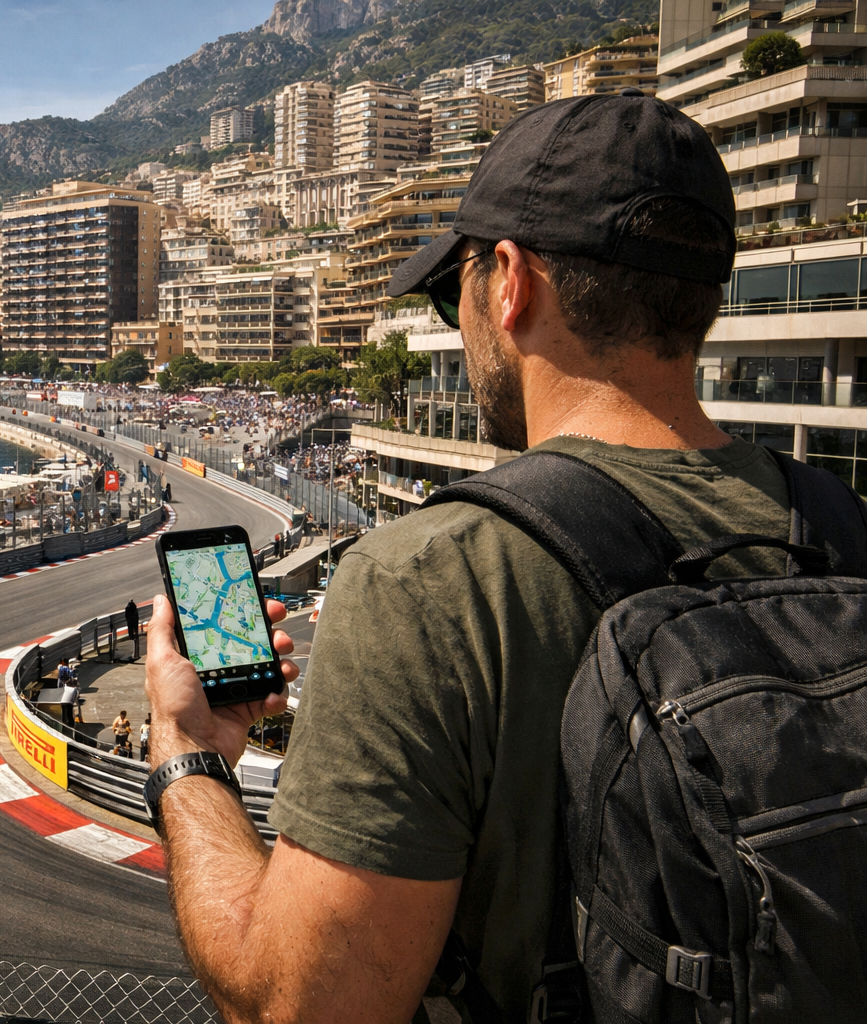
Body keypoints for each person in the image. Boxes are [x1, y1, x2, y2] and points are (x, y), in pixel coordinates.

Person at [144, 91, 771, 1021]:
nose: (457, 327)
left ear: (510, 283)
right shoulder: (842, 528)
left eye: (453, 293)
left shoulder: (425, 579)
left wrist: (186, 754)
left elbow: (294, 1006)